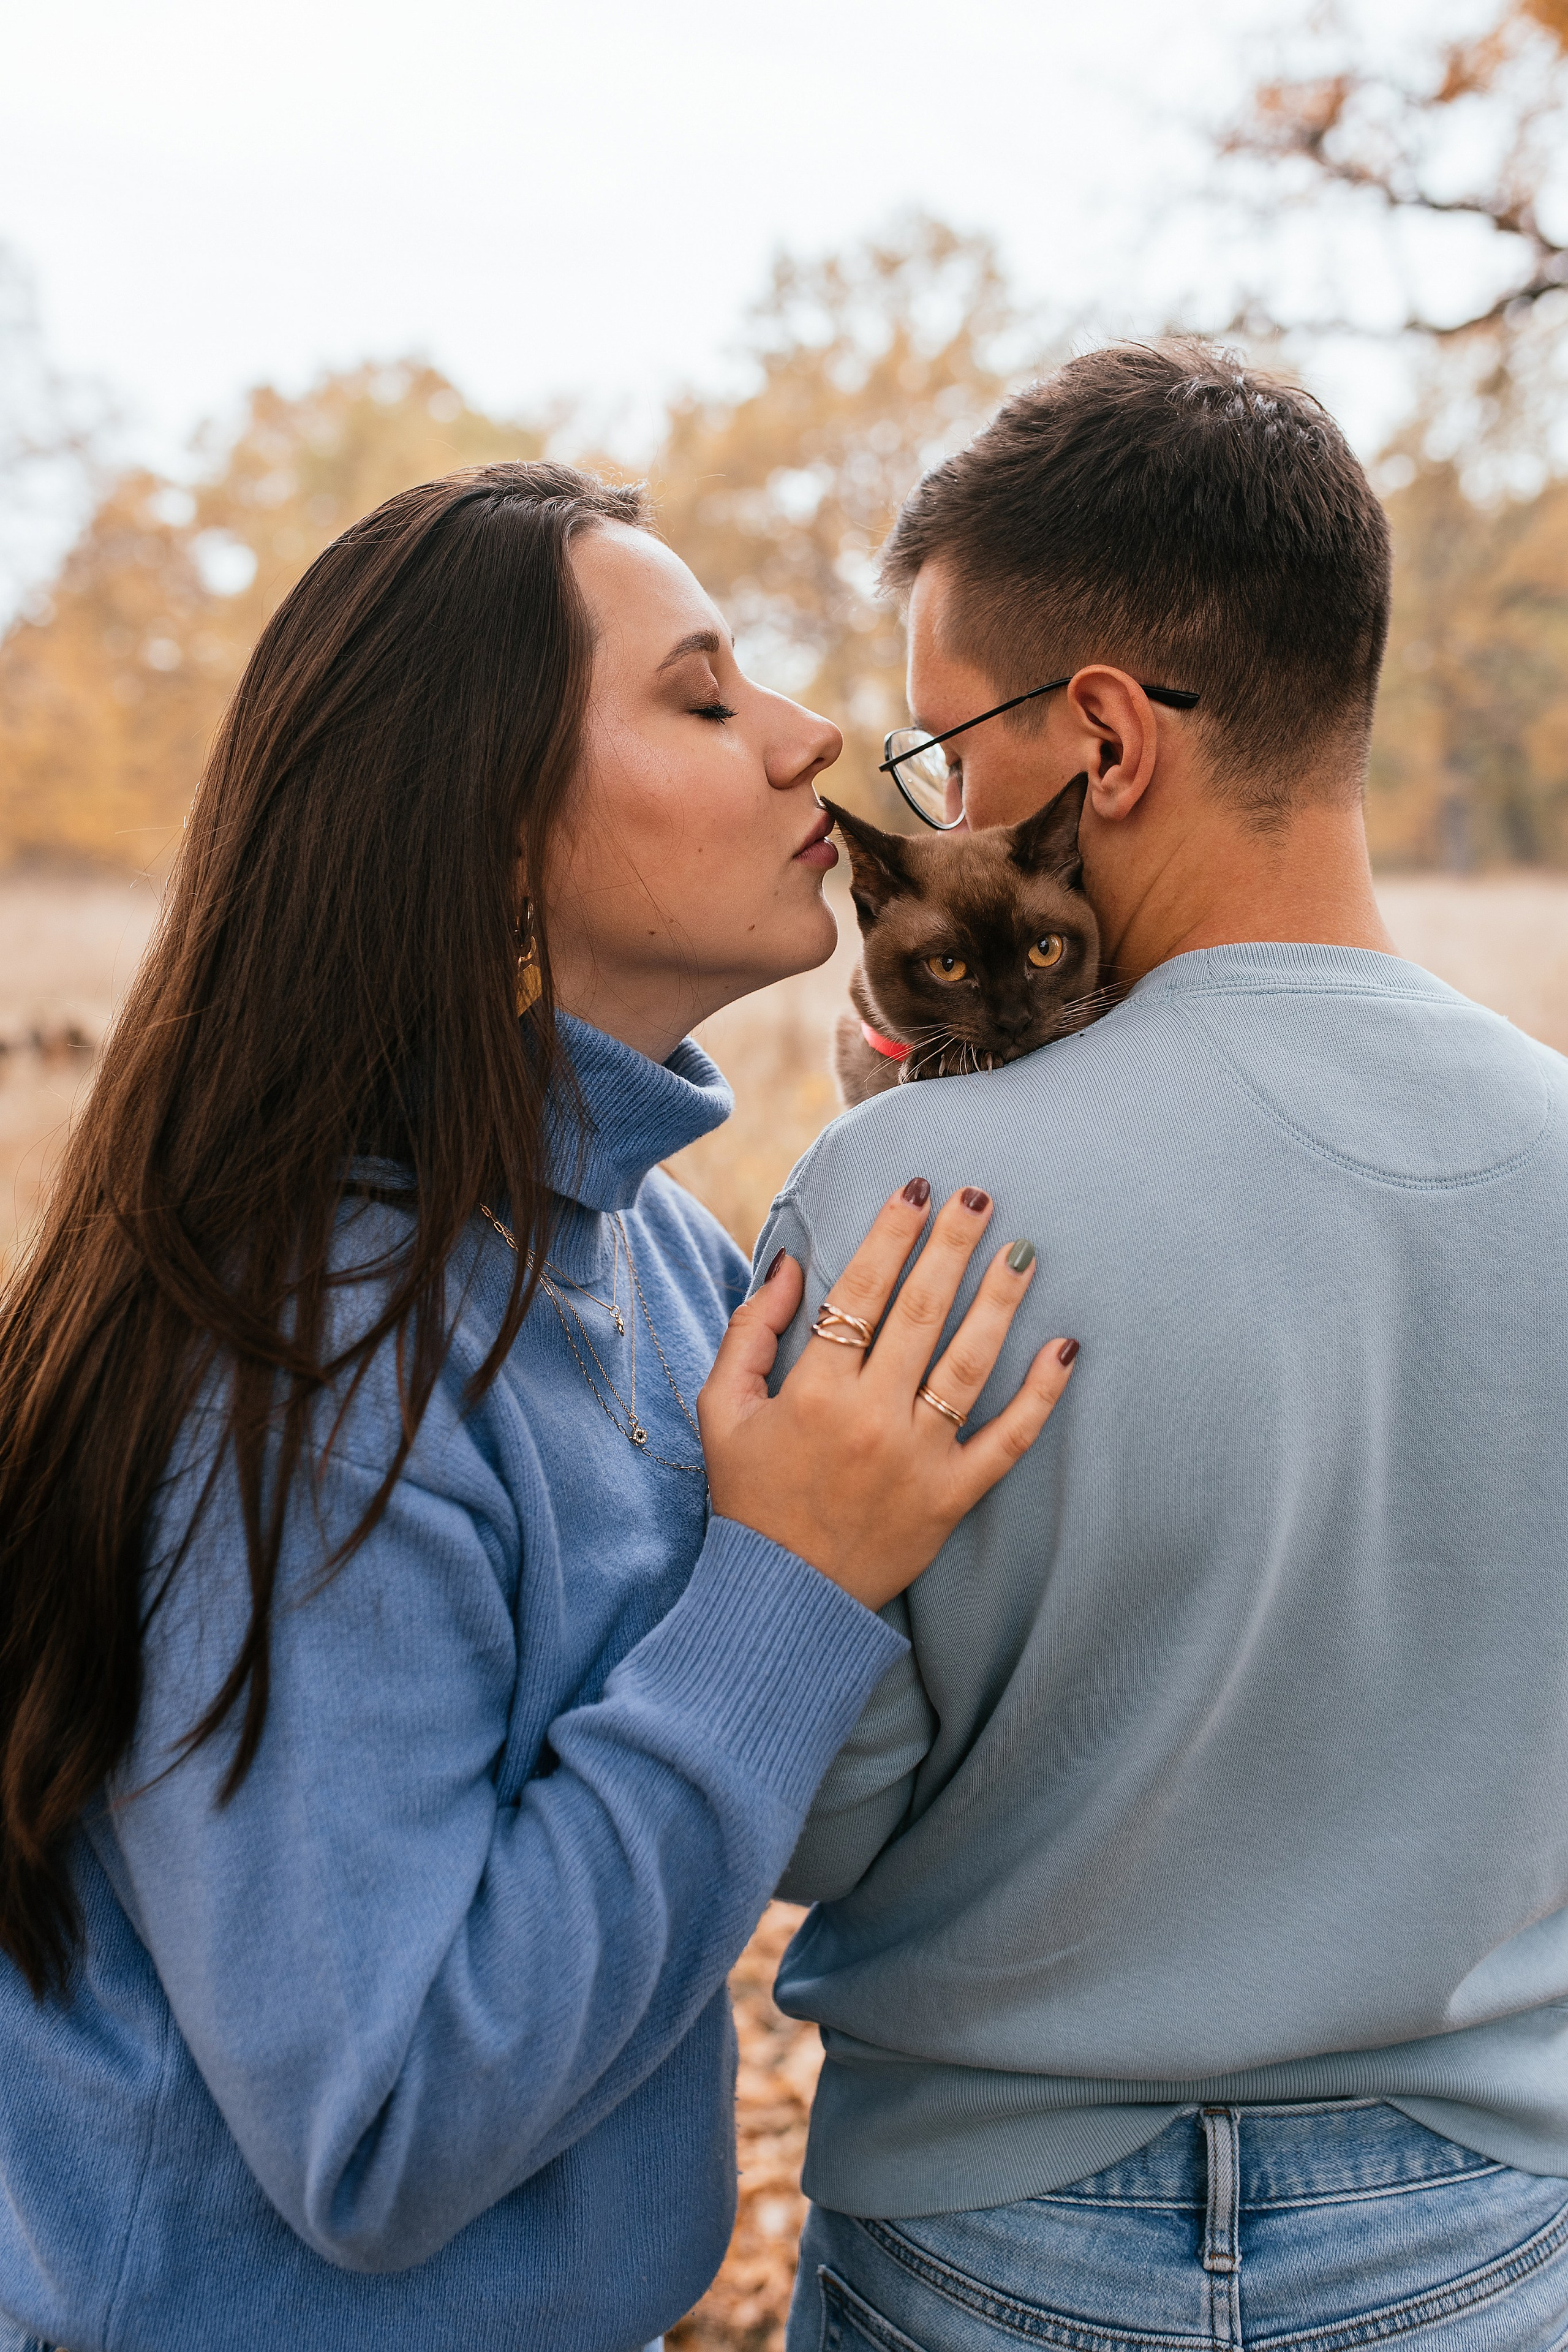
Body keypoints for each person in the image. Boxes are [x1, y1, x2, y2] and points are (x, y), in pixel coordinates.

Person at [0, 464, 1082, 2352]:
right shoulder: (308, 1370)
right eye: (704, 694)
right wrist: (782, 1583)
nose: (811, 736)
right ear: (494, 836)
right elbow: (386, 2130)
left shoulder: (645, 1244)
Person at [766, 345, 1568, 2350]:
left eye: (951, 758)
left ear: (1106, 740)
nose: (936, 814)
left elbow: (800, 1820)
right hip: (1486, 2239)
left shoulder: (898, 1204)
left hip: (983, 2240)